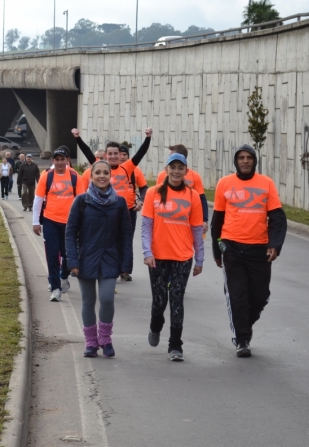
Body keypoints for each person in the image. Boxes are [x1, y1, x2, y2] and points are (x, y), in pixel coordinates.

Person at [211, 145, 287, 358]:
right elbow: (217, 221)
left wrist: (274, 244)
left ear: (255, 160)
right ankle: (242, 339)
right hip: (232, 248)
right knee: (237, 295)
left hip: (259, 249)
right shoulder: (224, 184)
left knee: (261, 296)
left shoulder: (266, 183)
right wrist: (217, 252)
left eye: (249, 158)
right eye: (241, 158)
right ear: (236, 161)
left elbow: (277, 219)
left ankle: (245, 322)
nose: (245, 161)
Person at [66, 160, 133, 357]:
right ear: (92, 176)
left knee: (107, 298)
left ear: (110, 176)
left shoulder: (119, 203)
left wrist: (125, 264)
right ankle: (91, 342)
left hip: (110, 258)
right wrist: (73, 262)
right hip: (86, 257)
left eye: (105, 173)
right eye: (98, 173)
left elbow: (126, 236)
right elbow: (70, 233)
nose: (102, 176)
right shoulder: (81, 201)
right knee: (88, 301)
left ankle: (105, 339)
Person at [142, 153, 205, 361]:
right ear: (166, 169)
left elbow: (197, 229)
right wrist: (147, 252)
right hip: (158, 257)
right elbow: (146, 226)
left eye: (180, 168)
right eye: (173, 167)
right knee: (159, 301)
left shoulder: (192, 196)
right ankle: (155, 325)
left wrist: (200, 258)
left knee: (177, 299)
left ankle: (175, 345)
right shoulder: (153, 193)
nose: (176, 171)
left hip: (183, 256)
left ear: (186, 171)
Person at [76, 127, 153, 281]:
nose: (112, 156)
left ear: (120, 155)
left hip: (127, 210)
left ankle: (125, 270)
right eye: (109, 154)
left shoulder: (127, 167)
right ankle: (108, 267)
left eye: (115, 153)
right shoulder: (101, 167)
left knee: (126, 239)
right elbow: (87, 152)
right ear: (105, 155)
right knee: (109, 240)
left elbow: (141, 153)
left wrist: (148, 138)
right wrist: (77, 138)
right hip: (107, 210)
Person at [32, 146, 86, 302]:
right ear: (52, 161)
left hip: (71, 223)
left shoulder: (76, 176)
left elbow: (82, 201)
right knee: (52, 254)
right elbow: (38, 200)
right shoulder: (47, 176)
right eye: (57, 160)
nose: (60, 162)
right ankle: (55, 288)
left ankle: (63, 276)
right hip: (50, 221)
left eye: (63, 159)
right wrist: (36, 222)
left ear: (67, 160)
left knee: (68, 254)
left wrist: (82, 222)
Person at [156, 144, 209, 235]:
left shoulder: (194, 176)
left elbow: (202, 199)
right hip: (166, 220)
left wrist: (204, 220)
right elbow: (156, 200)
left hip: (187, 218)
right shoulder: (162, 175)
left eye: (171, 155)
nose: (176, 172)